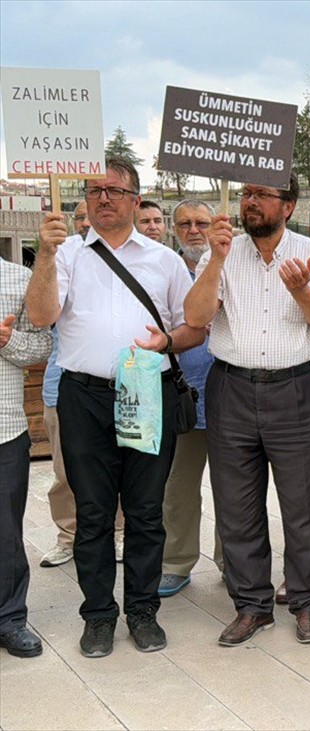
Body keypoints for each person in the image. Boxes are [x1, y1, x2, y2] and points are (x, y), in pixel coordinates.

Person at [27, 158, 203, 658]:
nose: (103, 198)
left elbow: (194, 327)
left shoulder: (165, 261)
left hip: (147, 390)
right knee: (94, 512)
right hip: (84, 397)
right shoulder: (66, 255)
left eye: (114, 190)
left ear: (134, 199)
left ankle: (143, 611)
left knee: (146, 511)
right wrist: (45, 253)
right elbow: (40, 315)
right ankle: (99, 616)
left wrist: (167, 341)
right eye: (94, 190)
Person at [185, 173, 310, 647]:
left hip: (296, 390)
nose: (250, 202)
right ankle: (251, 606)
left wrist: (302, 292)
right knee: (236, 506)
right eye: (247, 194)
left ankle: (308, 601)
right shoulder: (222, 252)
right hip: (231, 390)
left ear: (288, 206)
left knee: (304, 505)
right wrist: (215, 258)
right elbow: (195, 317)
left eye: (262, 195)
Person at [39, 202, 126, 569]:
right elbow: (41, 317)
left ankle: (118, 533)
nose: (86, 223)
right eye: (79, 217)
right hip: (62, 388)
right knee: (65, 473)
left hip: (118, 388)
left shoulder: (123, 263)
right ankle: (67, 536)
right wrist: (47, 254)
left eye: (91, 216)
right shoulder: (60, 261)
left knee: (117, 470)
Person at [158, 200, 224, 597]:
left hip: (229, 397)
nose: (194, 230)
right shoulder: (165, 270)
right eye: (185, 223)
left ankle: (233, 562)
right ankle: (176, 563)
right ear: (174, 228)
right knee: (178, 489)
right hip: (182, 396)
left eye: (202, 222)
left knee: (234, 490)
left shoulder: (231, 265)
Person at [0, 258, 53, 657]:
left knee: (5, 535)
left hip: (4, 429)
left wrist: (8, 341)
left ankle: (9, 618)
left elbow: (42, 345)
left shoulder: (20, 280)